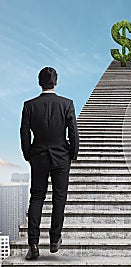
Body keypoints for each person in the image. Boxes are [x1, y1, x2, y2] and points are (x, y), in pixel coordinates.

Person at [20, 67, 79, 260]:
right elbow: (73, 132)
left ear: (39, 82)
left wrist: (28, 154)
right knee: (59, 198)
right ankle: (54, 240)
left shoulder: (29, 105)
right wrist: (72, 153)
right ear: (56, 82)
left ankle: (33, 245)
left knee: (36, 198)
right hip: (61, 156)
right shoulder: (67, 104)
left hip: (38, 156)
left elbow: (24, 133)